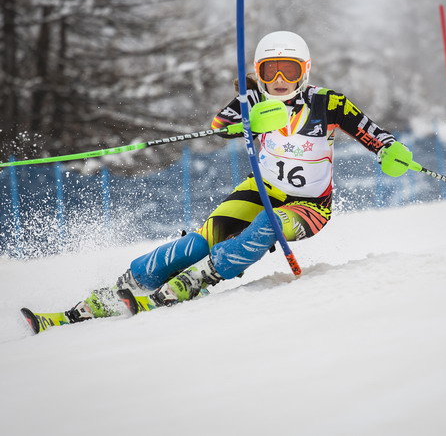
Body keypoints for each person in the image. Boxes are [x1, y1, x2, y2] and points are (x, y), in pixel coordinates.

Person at [65, 31, 413, 322]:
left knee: (269, 225)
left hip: (309, 206)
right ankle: (126, 284)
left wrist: (389, 149)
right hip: (260, 188)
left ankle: (198, 279)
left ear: (304, 71)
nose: (279, 81)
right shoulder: (252, 98)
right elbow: (219, 126)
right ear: (259, 73)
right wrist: (249, 121)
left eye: (288, 71)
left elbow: (372, 132)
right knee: (201, 242)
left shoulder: (328, 103)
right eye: (269, 71)